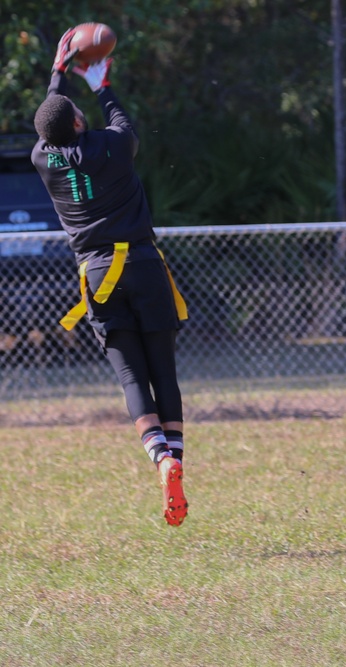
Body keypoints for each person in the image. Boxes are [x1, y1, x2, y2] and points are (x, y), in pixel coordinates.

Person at [32, 28, 189, 526]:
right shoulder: (112, 147)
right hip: (143, 264)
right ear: (80, 122)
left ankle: (160, 460)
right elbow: (123, 124)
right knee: (163, 371)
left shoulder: (43, 159)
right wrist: (100, 83)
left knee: (131, 377)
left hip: (97, 275)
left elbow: (51, 121)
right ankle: (177, 461)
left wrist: (57, 76)